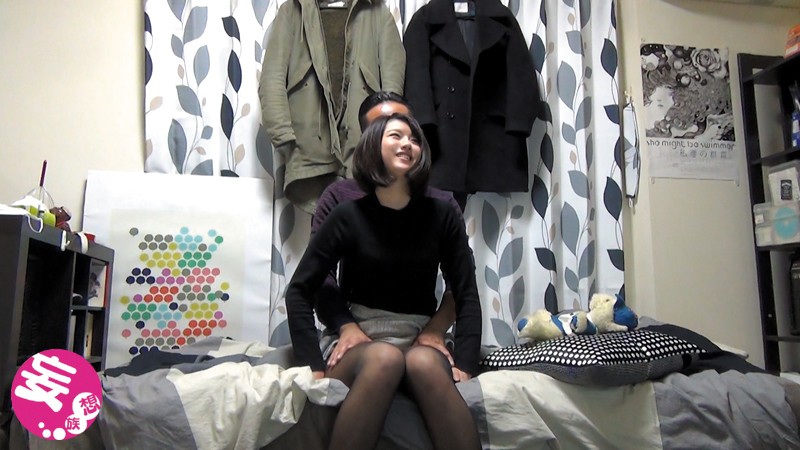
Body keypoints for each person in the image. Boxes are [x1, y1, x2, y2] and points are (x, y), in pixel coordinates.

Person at [286, 113, 482, 450]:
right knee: (385, 358)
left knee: (421, 361)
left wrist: (465, 363)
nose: (408, 143)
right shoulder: (347, 214)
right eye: (396, 135)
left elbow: (465, 293)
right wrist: (312, 366)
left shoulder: (443, 214)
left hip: (419, 336)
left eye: (415, 139)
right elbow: (300, 291)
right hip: (360, 343)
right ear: (372, 146)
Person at [311, 91, 469, 381]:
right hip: (356, 329)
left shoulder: (442, 205)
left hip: (421, 330)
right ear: (368, 138)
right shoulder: (340, 197)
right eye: (387, 129)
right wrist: (346, 326)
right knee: (380, 361)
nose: (402, 141)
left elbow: (461, 284)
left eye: (407, 128)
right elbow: (318, 277)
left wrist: (436, 330)